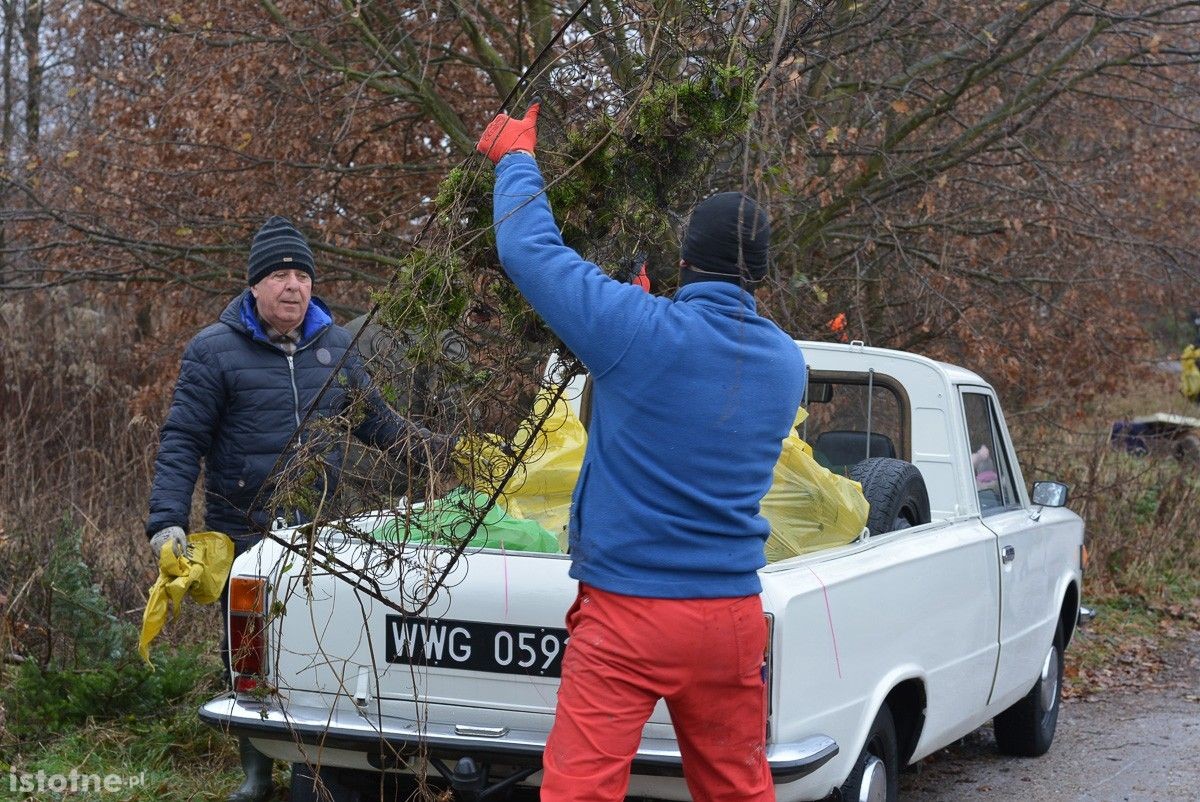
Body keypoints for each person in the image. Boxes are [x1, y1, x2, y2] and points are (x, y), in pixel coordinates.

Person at [476, 106, 807, 802]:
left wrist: (516, 158)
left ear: (683, 262)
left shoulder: (638, 333)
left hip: (630, 612)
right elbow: (706, 367)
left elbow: (530, 253)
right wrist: (643, 315)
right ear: (761, 279)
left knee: (581, 792)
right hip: (730, 619)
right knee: (738, 791)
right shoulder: (785, 365)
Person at [145, 216, 443, 802]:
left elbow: (380, 422)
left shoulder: (335, 348)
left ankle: (318, 765)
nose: (293, 286)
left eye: (302, 275)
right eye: (280, 274)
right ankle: (257, 775)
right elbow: (182, 440)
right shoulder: (213, 351)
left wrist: (443, 455)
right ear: (254, 285)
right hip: (245, 533)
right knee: (249, 655)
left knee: (322, 646)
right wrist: (167, 522)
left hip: (322, 532)